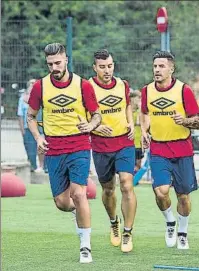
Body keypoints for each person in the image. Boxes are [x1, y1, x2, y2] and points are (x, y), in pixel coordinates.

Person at [27, 43, 101, 263]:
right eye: (50, 64)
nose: (54, 67)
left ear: (66, 60)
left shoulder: (83, 85)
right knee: (62, 202)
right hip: (54, 149)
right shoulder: (40, 87)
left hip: (79, 146)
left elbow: (96, 115)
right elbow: (30, 116)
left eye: (58, 62)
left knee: (79, 194)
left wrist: (90, 126)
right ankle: (76, 212)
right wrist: (38, 137)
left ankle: (85, 247)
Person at [140, 51, 199, 250]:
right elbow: (144, 113)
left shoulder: (184, 90)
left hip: (182, 150)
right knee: (161, 192)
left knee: (183, 196)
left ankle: (182, 232)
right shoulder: (147, 91)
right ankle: (169, 222)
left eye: (162, 66)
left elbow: (198, 122)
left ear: (171, 69)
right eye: (155, 66)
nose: (157, 70)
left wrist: (184, 121)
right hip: (158, 149)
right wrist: (144, 131)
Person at [88, 49, 137, 253]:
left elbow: (127, 105)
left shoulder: (122, 84)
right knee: (108, 189)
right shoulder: (87, 87)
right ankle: (113, 222)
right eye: (102, 67)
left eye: (109, 66)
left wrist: (131, 123)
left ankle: (127, 232)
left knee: (126, 184)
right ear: (95, 68)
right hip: (101, 146)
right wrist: (96, 127)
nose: (107, 70)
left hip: (124, 143)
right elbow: (80, 118)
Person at [18, 79, 45, 172]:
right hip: (27, 127)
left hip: (40, 127)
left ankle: (42, 166)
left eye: (34, 84)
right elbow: (20, 115)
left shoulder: (42, 97)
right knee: (30, 149)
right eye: (31, 84)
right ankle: (33, 166)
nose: (32, 86)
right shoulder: (22, 98)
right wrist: (22, 130)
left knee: (41, 147)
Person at [131, 90, 144, 173]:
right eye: (138, 98)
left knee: (138, 166)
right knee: (130, 165)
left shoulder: (139, 112)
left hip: (139, 143)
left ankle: (133, 181)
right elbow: (136, 123)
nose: (139, 100)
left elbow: (141, 123)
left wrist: (140, 109)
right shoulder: (128, 112)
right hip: (130, 142)